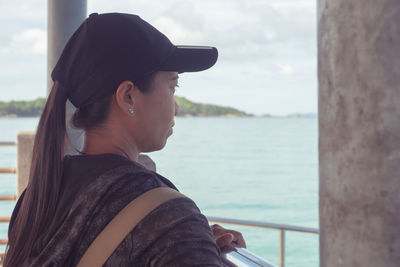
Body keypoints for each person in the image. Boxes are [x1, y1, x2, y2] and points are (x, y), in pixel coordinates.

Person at [4, 12, 246, 267]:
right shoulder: (166, 216)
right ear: (128, 96)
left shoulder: (38, 198)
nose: (176, 108)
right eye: (172, 87)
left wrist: (196, 243)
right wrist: (187, 238)